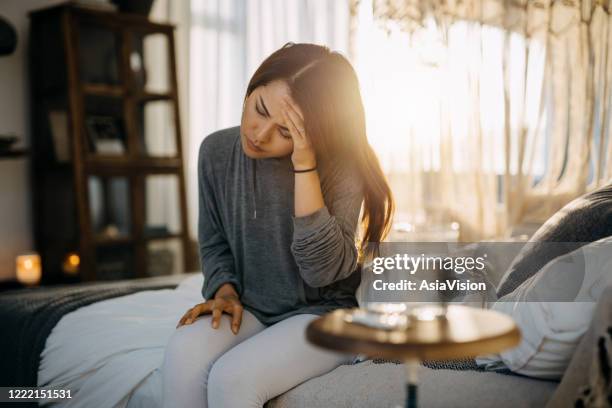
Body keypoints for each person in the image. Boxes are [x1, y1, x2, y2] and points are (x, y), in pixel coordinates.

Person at [161, 42, 394, 408]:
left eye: (286, 132)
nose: (259, 133)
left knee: (231, 378)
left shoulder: (341, 167)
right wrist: (224, 292)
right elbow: (214, 243)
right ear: (253, 86)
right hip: (252, 308)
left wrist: (305, 166)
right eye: (260, 109)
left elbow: (322, 272)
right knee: (184, 350)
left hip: (325, 315)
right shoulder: (215, 152)